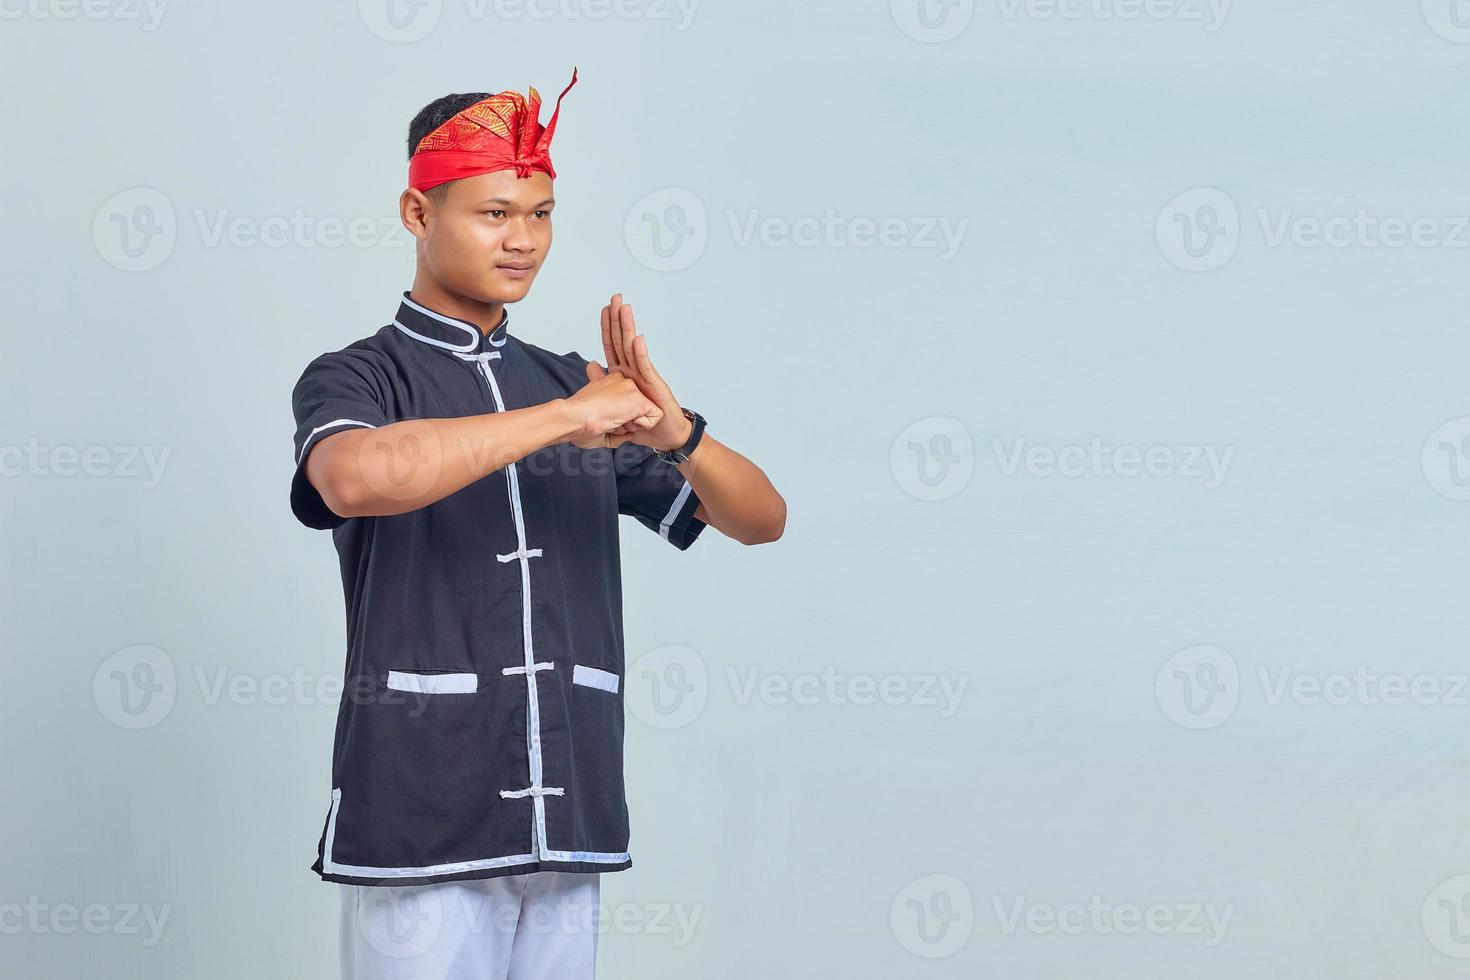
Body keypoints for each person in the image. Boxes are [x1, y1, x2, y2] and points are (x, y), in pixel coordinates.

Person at [287, 67, 786, 980]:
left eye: (542, 214)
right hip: (421, 808)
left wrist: (675, 432)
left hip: (569, 805)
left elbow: (760, 519)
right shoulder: (359, 375)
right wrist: (567, 418)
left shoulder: (572, 384)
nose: (524, 242)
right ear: (416, 214)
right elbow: (356, 478)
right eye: (494, 214)